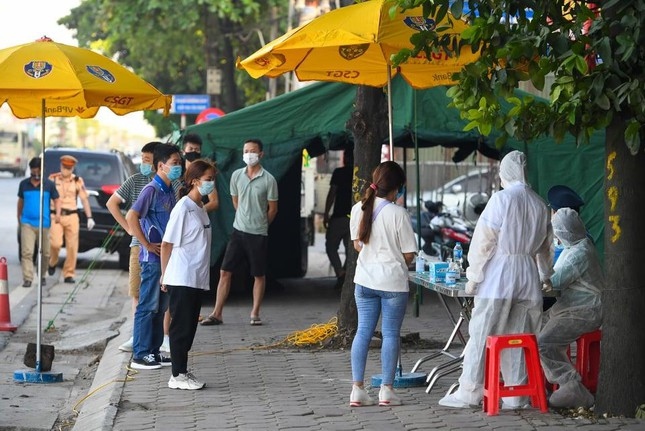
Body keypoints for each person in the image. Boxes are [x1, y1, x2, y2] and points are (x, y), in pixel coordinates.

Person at [438, 150, 553, 409]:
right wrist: (545, 275)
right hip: (528, 276)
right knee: (518, 335)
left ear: (506, 172)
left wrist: (474, 275)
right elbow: (546, 248)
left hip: (499, 276)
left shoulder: (501, 199)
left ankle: (469, 391)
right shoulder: (540, 203)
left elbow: (484, 241)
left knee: (482, 333)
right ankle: (516, 394)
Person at [348, 161, 417, 407]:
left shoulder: (359, 208)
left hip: (364, 281)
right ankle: (386, 390)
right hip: (393, 285)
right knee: (390, 334)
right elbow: (409, 254)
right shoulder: (398, 213)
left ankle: (357, 390)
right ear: (396, 188)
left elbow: (358, 245)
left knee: (363, 332)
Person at [201, 138, 278, 326]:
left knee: (258, 274)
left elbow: (273, 209)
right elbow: (236, 202)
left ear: (261, 154)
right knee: (225, 271)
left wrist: (261, 224)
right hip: (238, 231)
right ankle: (217, 313)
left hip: (259, 233)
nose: (249, 154)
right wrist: (243, 218)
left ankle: (255, 313)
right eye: (246, 151)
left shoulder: (269, 180)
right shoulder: (236, 175)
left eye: (253, 151)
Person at [106, 141, 173, 353]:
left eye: (147, 160)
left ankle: (159, 340)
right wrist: (132, 231)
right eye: (142, 159)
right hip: (144, 249)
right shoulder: (141, 184)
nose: (143, 163)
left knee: (160, 299)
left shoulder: (170, 185)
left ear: (157, 162)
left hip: (163, 248)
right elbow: (116, 206)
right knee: (141, 297)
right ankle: (140, 343)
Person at [538, 208, 602, 409]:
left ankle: (571, 385)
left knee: (543, 342)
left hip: (585, 311)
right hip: (572, 308)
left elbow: (555, 282)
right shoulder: (575, 246)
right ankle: (543, 383)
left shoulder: (579, 254)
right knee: (533, 327)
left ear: (563, 232)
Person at [161, 159, 216, 390]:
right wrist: (164, 276)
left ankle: (182, 371)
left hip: (196, 277)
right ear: (195, 181)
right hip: (181, 276)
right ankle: (177, 375)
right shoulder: (183, 207)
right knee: (180, 327)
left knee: (190, 326)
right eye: (208, 180)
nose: (212, 184)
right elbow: (167, 243)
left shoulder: (200, 207)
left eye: (213, 179)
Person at [125, 143, 181, 370]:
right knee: (147, 306)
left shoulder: (170, 190)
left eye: (179, 163)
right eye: (175, 163)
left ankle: (154, 351)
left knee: (160, 308)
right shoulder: (151, 190)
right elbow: (131, 216)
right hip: (152, 260)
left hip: (167, 259)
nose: (178, 167)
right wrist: (146, 245)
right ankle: (140, 354)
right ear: (161, 166)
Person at [48, 155, 94, 284]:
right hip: (55, 216)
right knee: (55, 243)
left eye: (68, 168)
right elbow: (45, 196)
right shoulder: (52, 179)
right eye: (64, 167)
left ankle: (69, 273)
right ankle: (53, 262)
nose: (66, 170)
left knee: (72, 247)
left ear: (72, 168)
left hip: (72, 216)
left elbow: (84, 199)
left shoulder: (77, 181)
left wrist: (89, 217)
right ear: (60, 166)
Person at [17, 157, 60, 288]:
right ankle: (28, 278)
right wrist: (19, 217)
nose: (36, 174)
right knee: (27, 252)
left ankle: (41, 275)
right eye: (33, 171)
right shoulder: (24, 184)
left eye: (38, 171)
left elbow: (57, 200)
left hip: (44, 224)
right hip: (27, 223)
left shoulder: (49, 185)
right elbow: (20, 202)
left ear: (42, 170)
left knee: (45, 253)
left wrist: (57, 214)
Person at [323, 148, 353, 284]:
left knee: (330, 246)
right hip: (355, 218)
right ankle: (345, 275)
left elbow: (332, 194)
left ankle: (341, 273)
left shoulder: (339, 173)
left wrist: (326, 214)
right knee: (351, 249)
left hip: (340, 216)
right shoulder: (362, 173)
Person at [182, 133, 219, 213]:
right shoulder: (178, 171)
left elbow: (214, 202)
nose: (194, 152)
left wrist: (198, 212)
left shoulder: (205, 171)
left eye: (197, 149)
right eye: (190, 149)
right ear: (183, 151)